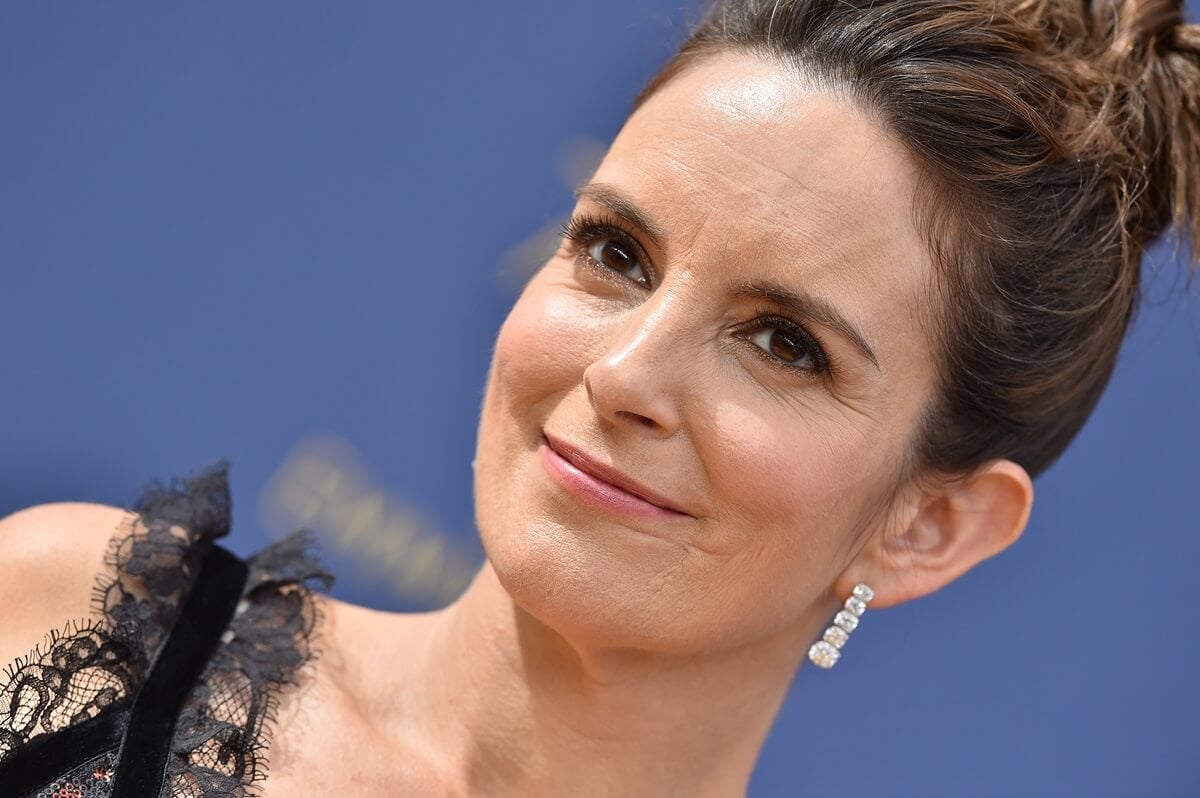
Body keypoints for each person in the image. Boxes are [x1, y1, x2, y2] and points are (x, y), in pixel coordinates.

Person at [1, 0, 1197, 794]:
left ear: (926, 525)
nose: (623, 374)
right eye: (617, 254)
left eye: (784, 345)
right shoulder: (77, 626)